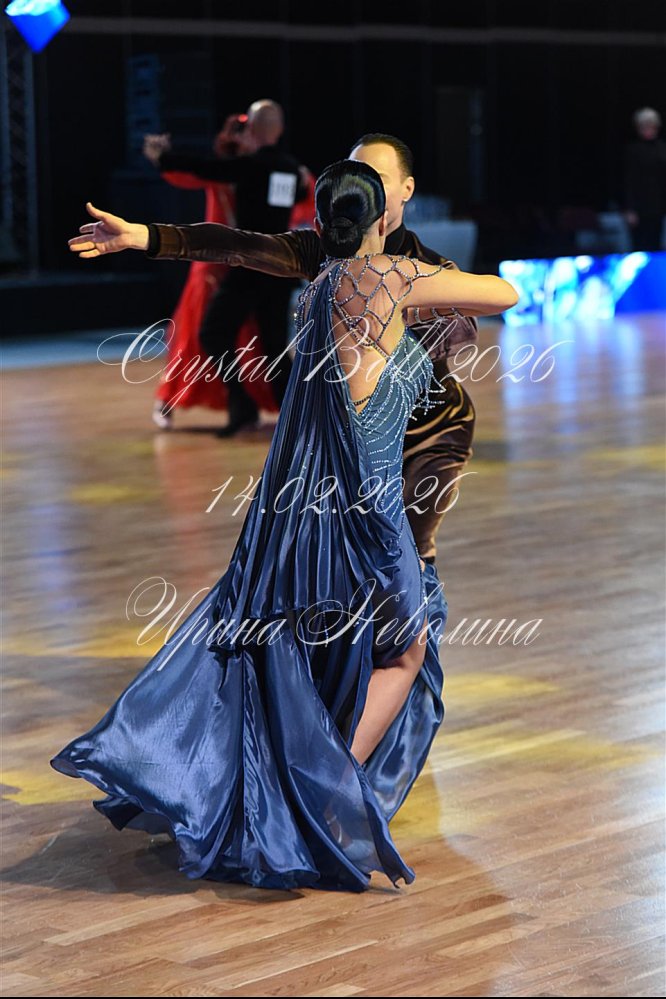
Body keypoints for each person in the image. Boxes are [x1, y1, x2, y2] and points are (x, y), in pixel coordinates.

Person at [52, 160, 517, 891]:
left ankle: (307, 781)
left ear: (322, 221)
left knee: (321, 648)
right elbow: (505, 292)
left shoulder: (320, 285)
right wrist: (425, 280)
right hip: (373, 515)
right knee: (405, 651)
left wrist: (143, 235)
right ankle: (328, 792)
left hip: (311, 513)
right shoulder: (396, 277)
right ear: (382, 216)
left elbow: (235, 245)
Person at [141, 133, 478, 565]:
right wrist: (144, 236)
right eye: (355, 175)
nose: (364, 188)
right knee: (328, 563)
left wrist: (395, 309)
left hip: (428, 435)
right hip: (345, 441)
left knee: (405, 558)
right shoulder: (320, 253)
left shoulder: (430, 271)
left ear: (406, 189)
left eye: (376, 178)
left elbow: (467, 324)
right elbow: (237, 245)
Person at [143, 115, 316, 430]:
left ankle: (251, 406)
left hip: (246, 265)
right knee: (268, 344)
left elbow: (203, 168)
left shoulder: (248, 167)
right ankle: (297, 413)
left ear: (253, 131)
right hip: (271, 267)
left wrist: (164, 157)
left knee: (223, 335)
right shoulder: (288, 168)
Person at [624, 107, 666, 252]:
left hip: (659, 206)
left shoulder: (662, 149)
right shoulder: (632, 151)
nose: (648, 129)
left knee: (658, 244)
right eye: (644, 126)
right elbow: (629, 181)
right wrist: (630, 209)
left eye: (651, 125)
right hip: (640, 207)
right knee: (640, 244)